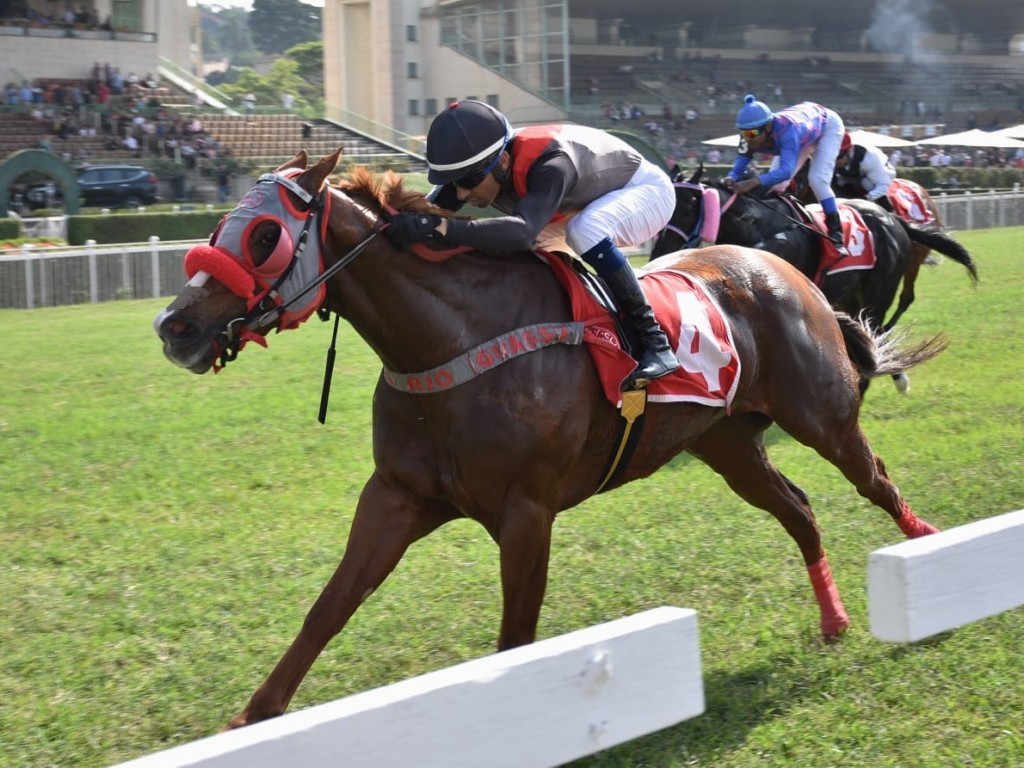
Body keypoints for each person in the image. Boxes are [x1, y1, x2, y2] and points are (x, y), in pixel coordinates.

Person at [381, 99, 680, 382]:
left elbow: (522, 232)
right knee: (505, 246)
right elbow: (425, 212)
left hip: (648, 192)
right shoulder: (484, 164)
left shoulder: (551, 163)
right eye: (453, 183)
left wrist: (440, 226)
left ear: (503, 161)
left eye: (469, 181)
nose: (460, 193)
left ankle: (654, 341)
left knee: (583, 230)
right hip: (584, 203)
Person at [723, 94, 848, 255]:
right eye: (744, 134)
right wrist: (731, 177)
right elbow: (741, 163)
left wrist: (753, 182)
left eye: (753, 134)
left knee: (817, 180)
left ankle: (836, 230)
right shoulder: (750, 134)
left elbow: (786, 171)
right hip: (805, 131)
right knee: (776, 185)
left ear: (767, 127)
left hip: (827, 127)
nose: (749, 139)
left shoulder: (787, 131)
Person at [833, 132, 896, 211]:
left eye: (838, 157)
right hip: (853, 175)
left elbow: (883, 185)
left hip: (882, 173)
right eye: (831, 157)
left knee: (866, 183)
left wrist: (867, 198)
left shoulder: (868, 159)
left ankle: (890, 212)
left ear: (848, 151)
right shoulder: (834, 161)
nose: (834, 162)